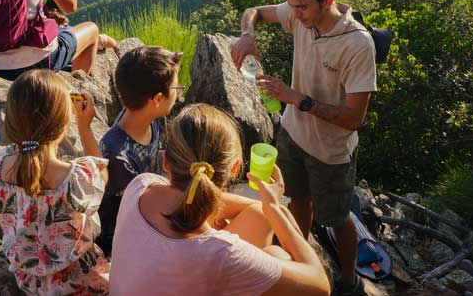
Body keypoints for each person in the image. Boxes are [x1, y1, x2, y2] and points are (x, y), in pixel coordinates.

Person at [230, 0, 377, 296]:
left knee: (337, 219)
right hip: (293, 135)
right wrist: (246, 35)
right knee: (298, 200)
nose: (293, 12)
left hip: (331, 150)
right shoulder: (302, 16)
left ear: (327, 0)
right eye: (291, 4)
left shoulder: (357, 44)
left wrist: (297, 99)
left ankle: (348, 281)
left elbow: (355, 118)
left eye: (301, 6)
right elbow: (254, 11)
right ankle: (300, 265)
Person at [109, 103, 330, 296]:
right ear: (234, 169)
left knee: (257, 216)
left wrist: (264, 208)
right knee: (277, 253)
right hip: (211, 263)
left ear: (166, 161)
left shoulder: (141, 185)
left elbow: (192, 195)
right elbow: (320, 286)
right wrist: (275, 209)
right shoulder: (222, 253)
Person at [0, 69, 110, 295]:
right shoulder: (75, 177)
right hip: (79, 279)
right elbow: (102, 179)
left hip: (30, 280)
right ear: (62, 123)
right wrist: (85, 126)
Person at [95, 46, 182, 255]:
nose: (179, 93)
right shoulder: (118, 156)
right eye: (176, 89)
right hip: (125, 240)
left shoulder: (147, 117)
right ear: (157, 99)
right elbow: (135, 216)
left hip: (147, 202)